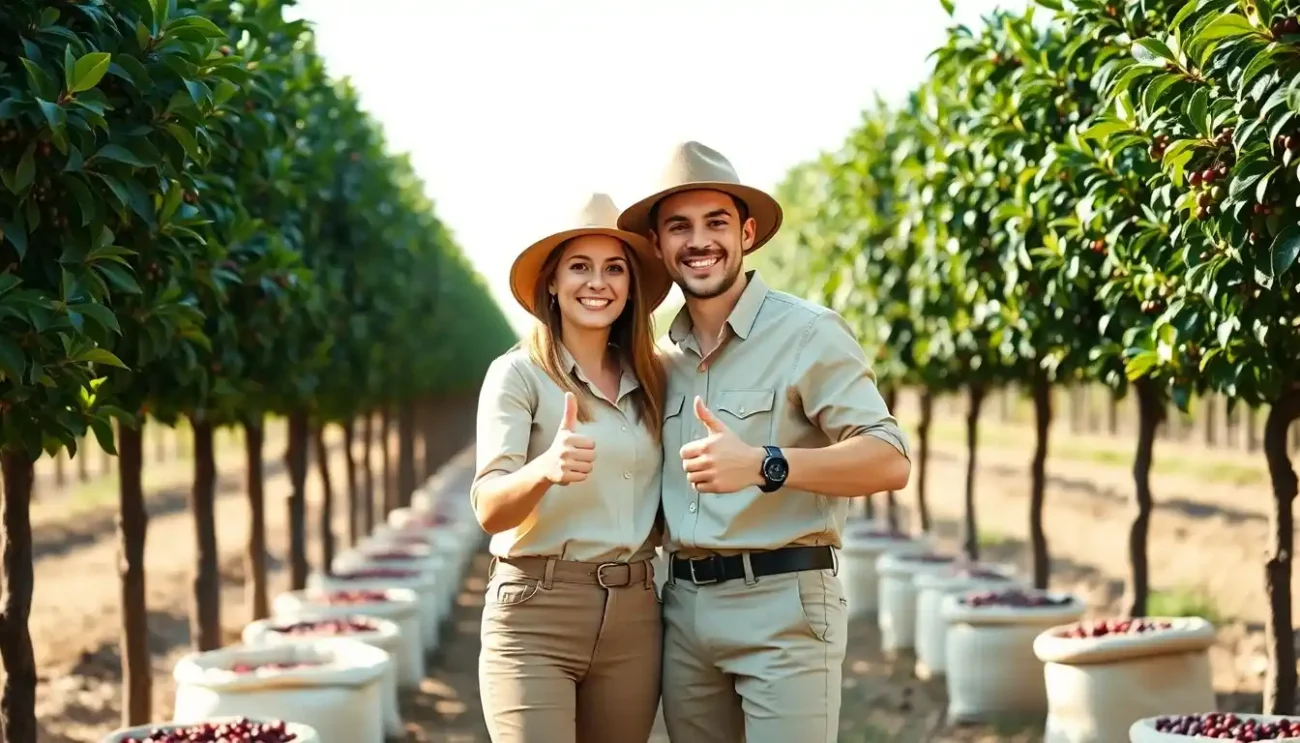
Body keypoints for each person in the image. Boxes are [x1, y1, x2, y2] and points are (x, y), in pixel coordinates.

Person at [617, 141, 912, 743]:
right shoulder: (657, 358)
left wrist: (764, 463)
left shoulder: (808, 333)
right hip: (684, 613)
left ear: (747, 233)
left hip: (784, 605)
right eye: (680, 227)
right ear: (658, 246)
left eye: (716, 223)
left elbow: (890, 458)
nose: (699, 241)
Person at [470, 192, 674, 743]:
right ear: (553, 284)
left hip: (634, 614)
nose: (597, 282)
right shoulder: (518, 375)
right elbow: (489, 508)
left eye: (614, 269)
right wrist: (544, 470)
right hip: (537, 612)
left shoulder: (654, 380)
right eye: (579, 267)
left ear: (630, 286)